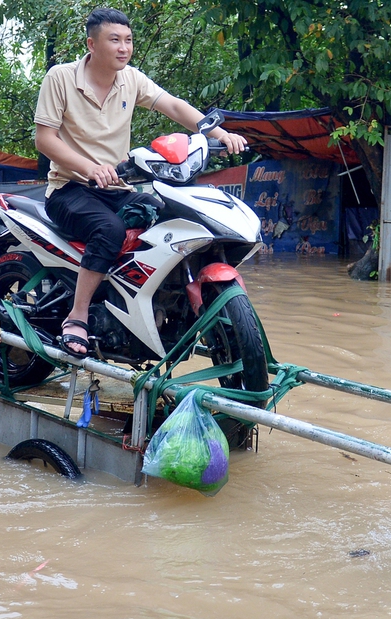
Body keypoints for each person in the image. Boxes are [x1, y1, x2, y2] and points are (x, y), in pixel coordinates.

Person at [34, 6, 248, 357]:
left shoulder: (130, 79)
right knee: (110, 231)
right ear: (92, 43)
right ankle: (78, 315)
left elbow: (175, 107)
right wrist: (89, 167)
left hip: (117, 188)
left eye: (128, 40)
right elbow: (45, 139)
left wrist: (219, 132)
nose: (124, 47)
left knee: (170, 219)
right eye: (114, 40)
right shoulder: (61, 77)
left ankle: (150, 304)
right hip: (70, 189)